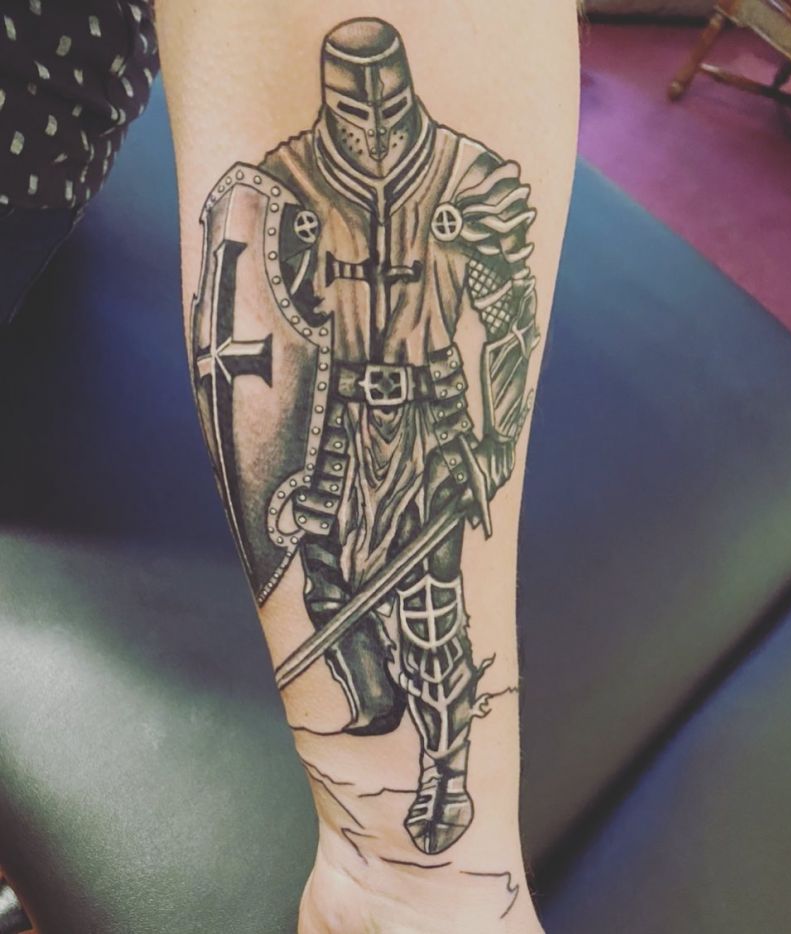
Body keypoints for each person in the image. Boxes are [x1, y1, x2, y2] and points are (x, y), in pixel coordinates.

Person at [1, 2, 579, 931]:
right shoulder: (293, 175)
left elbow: (506, 315)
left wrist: (411, 884)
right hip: (339, 411)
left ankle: (439, 779)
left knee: (430, 610)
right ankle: (375, 697)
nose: (372, 127)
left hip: (432, 414)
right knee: (325, 569)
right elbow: (262, 305)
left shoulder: (463, 174)